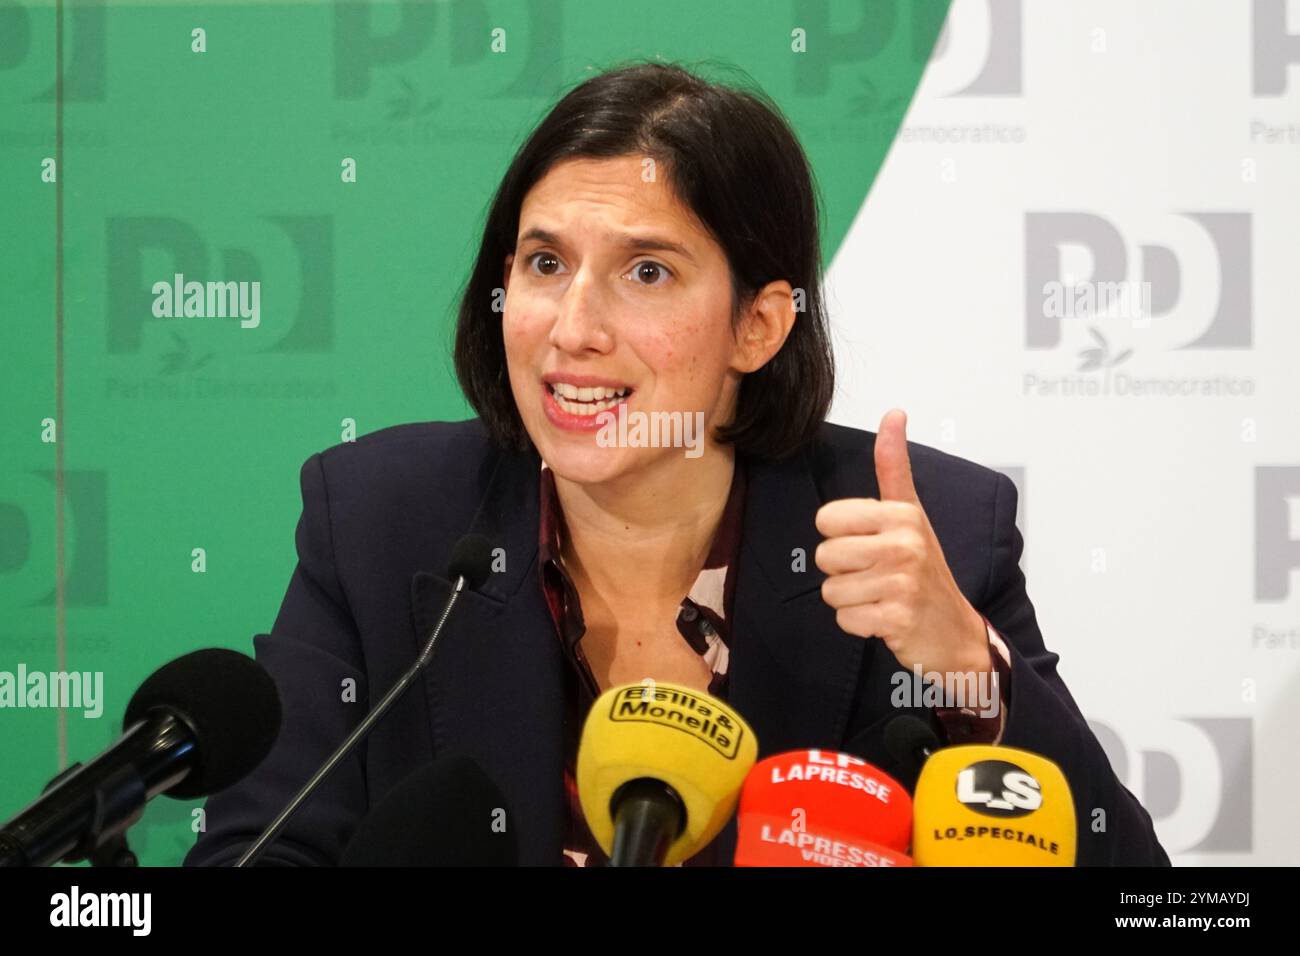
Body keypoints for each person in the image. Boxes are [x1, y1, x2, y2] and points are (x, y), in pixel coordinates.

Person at [184, 60, 1169, 867]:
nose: (573, 328)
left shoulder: (927, 536)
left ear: (758, 322)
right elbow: (258, 852)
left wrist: (962, 666)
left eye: (645, 271)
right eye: (543, 262)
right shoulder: (379, 520)